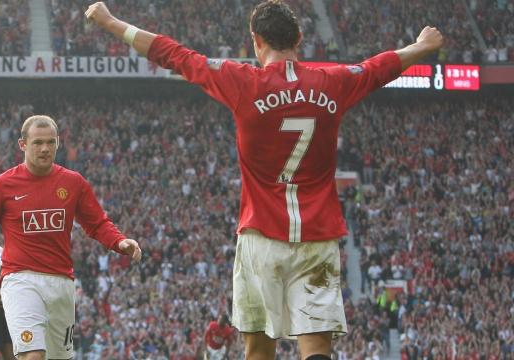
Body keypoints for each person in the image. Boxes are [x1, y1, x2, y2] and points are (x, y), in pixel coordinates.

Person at [85, 1, 442, 359]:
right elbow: (378, 67)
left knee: (258, 348)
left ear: (256, 40)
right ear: (299, 38)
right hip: (317, 238)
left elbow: (172, 54)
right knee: (316, 346)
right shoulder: (332, 82)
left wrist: (110, 21)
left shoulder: (242, 81)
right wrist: (420, 47)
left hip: (261, 237)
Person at [0, 115, 142, 360]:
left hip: (61, 284)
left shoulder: (73, 182)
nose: (45, 148)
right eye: (37, 142)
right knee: (33, 355)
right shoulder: (1, 186)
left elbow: (97, 223)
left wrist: (119, 242)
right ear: (22, 144)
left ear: (58, 143)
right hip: (20, 280)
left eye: (50, 142)